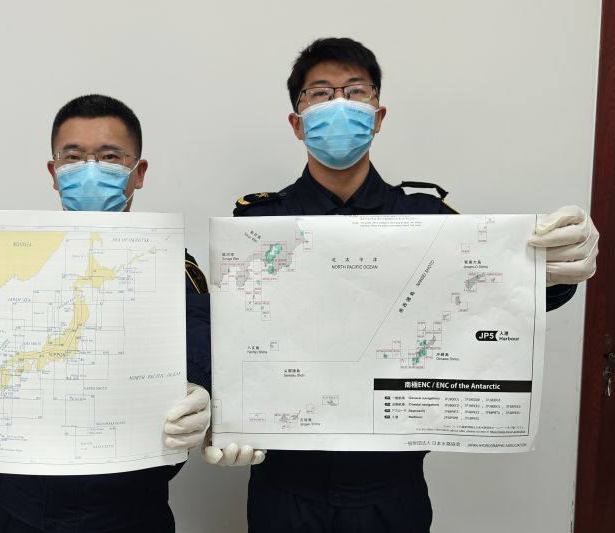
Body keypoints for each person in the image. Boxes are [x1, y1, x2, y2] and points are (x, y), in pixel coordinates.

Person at [216, 37, 599, 532]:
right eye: (321, 93)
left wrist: (554, 270)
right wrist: (219, 407)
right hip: (285, 488)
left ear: (377, 116)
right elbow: (229, 330)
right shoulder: (257, 225)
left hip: (392, 490)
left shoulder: (429, 219)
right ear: (297, 122)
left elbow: (493, 295)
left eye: (356, 92)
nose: (339, 104)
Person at [0, 94, 213, 533]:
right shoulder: (10, 259)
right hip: (15, 509)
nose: (90, 170)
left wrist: (201, 389)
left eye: (110, 157)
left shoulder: (170, 266)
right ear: (54, 173)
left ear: (139, 172)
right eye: (74, 157)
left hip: (128, 512)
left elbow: (201, 338)